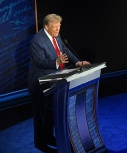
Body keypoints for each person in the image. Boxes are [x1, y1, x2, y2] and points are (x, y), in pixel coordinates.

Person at [28, 14, 90, 152]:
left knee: (51, 112)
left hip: (55, 81)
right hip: (41, 83)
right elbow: (39, 62)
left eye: (59, 26)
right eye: (55, 27)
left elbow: (65, 50)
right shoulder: (37, 41)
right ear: (46, 26)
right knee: (40, 115)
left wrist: (78, 62)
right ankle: (40, 143)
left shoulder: (56, 36)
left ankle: (49, 137)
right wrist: (56, 62)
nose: (57, 29)